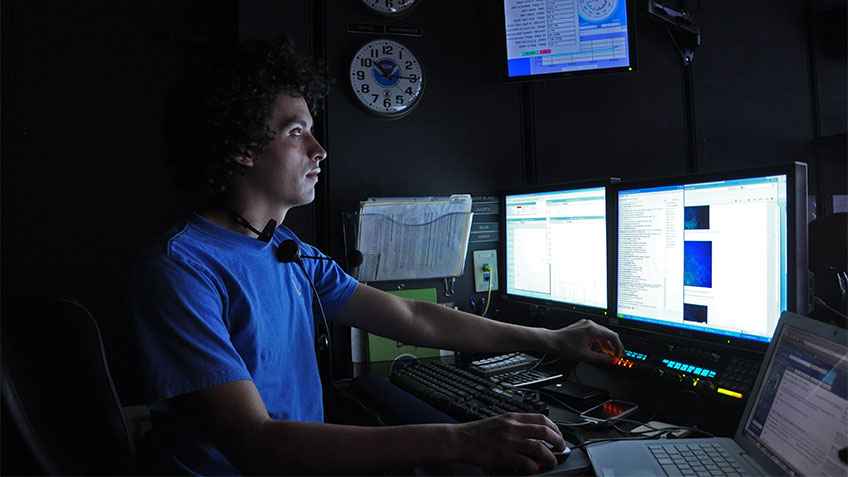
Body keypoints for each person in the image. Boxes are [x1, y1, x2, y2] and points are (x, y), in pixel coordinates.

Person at [129, 36, 624, 476]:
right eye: (297, 132)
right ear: (241, 147)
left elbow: (412, 317)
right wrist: (462, 438)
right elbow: (256, 444)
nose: (319, 149)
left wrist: (554, 338)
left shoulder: (284, 248)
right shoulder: (182, 269)